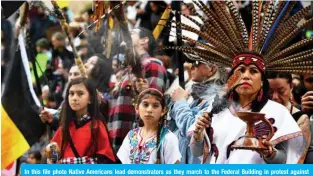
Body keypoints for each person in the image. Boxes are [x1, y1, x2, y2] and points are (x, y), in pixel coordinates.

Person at [161, 1, 312, 164]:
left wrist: (270, 153)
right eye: (240, 70)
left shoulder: (277, 112)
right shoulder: (215, 108)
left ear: (262, 81)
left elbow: (286, 160)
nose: (245, 76)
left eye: (253, 71)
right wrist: (198, 134)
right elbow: (197, 152)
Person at [46, 78, 116, 164]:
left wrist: (66, 163)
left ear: (90, 99)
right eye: (71, 94)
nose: (74, 98)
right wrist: (52, 159)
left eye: (80, 94)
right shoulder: (66, 125)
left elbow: (105, 159)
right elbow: (54, 149)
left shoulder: (97, 126)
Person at [168, 60, 224, 164]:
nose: (191, 67)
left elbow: (192, 131)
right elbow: (172, 129)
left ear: (211, 69)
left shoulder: (217, 100)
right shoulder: (194, 94)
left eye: (196, 63)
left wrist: (180, 102)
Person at [117, 88, 181, 164]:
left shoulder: (168, 138)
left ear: (163, 111)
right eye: (145, 105)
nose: (149, 110)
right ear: (137, 108)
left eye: (155, 106)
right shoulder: (131, 135)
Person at [267, 72, 311, 163]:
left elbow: (296, 163)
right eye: (270, 92)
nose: (275, 97)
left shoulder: (301, 119)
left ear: (291, 87)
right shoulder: (257, 114)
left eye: (281, 91)